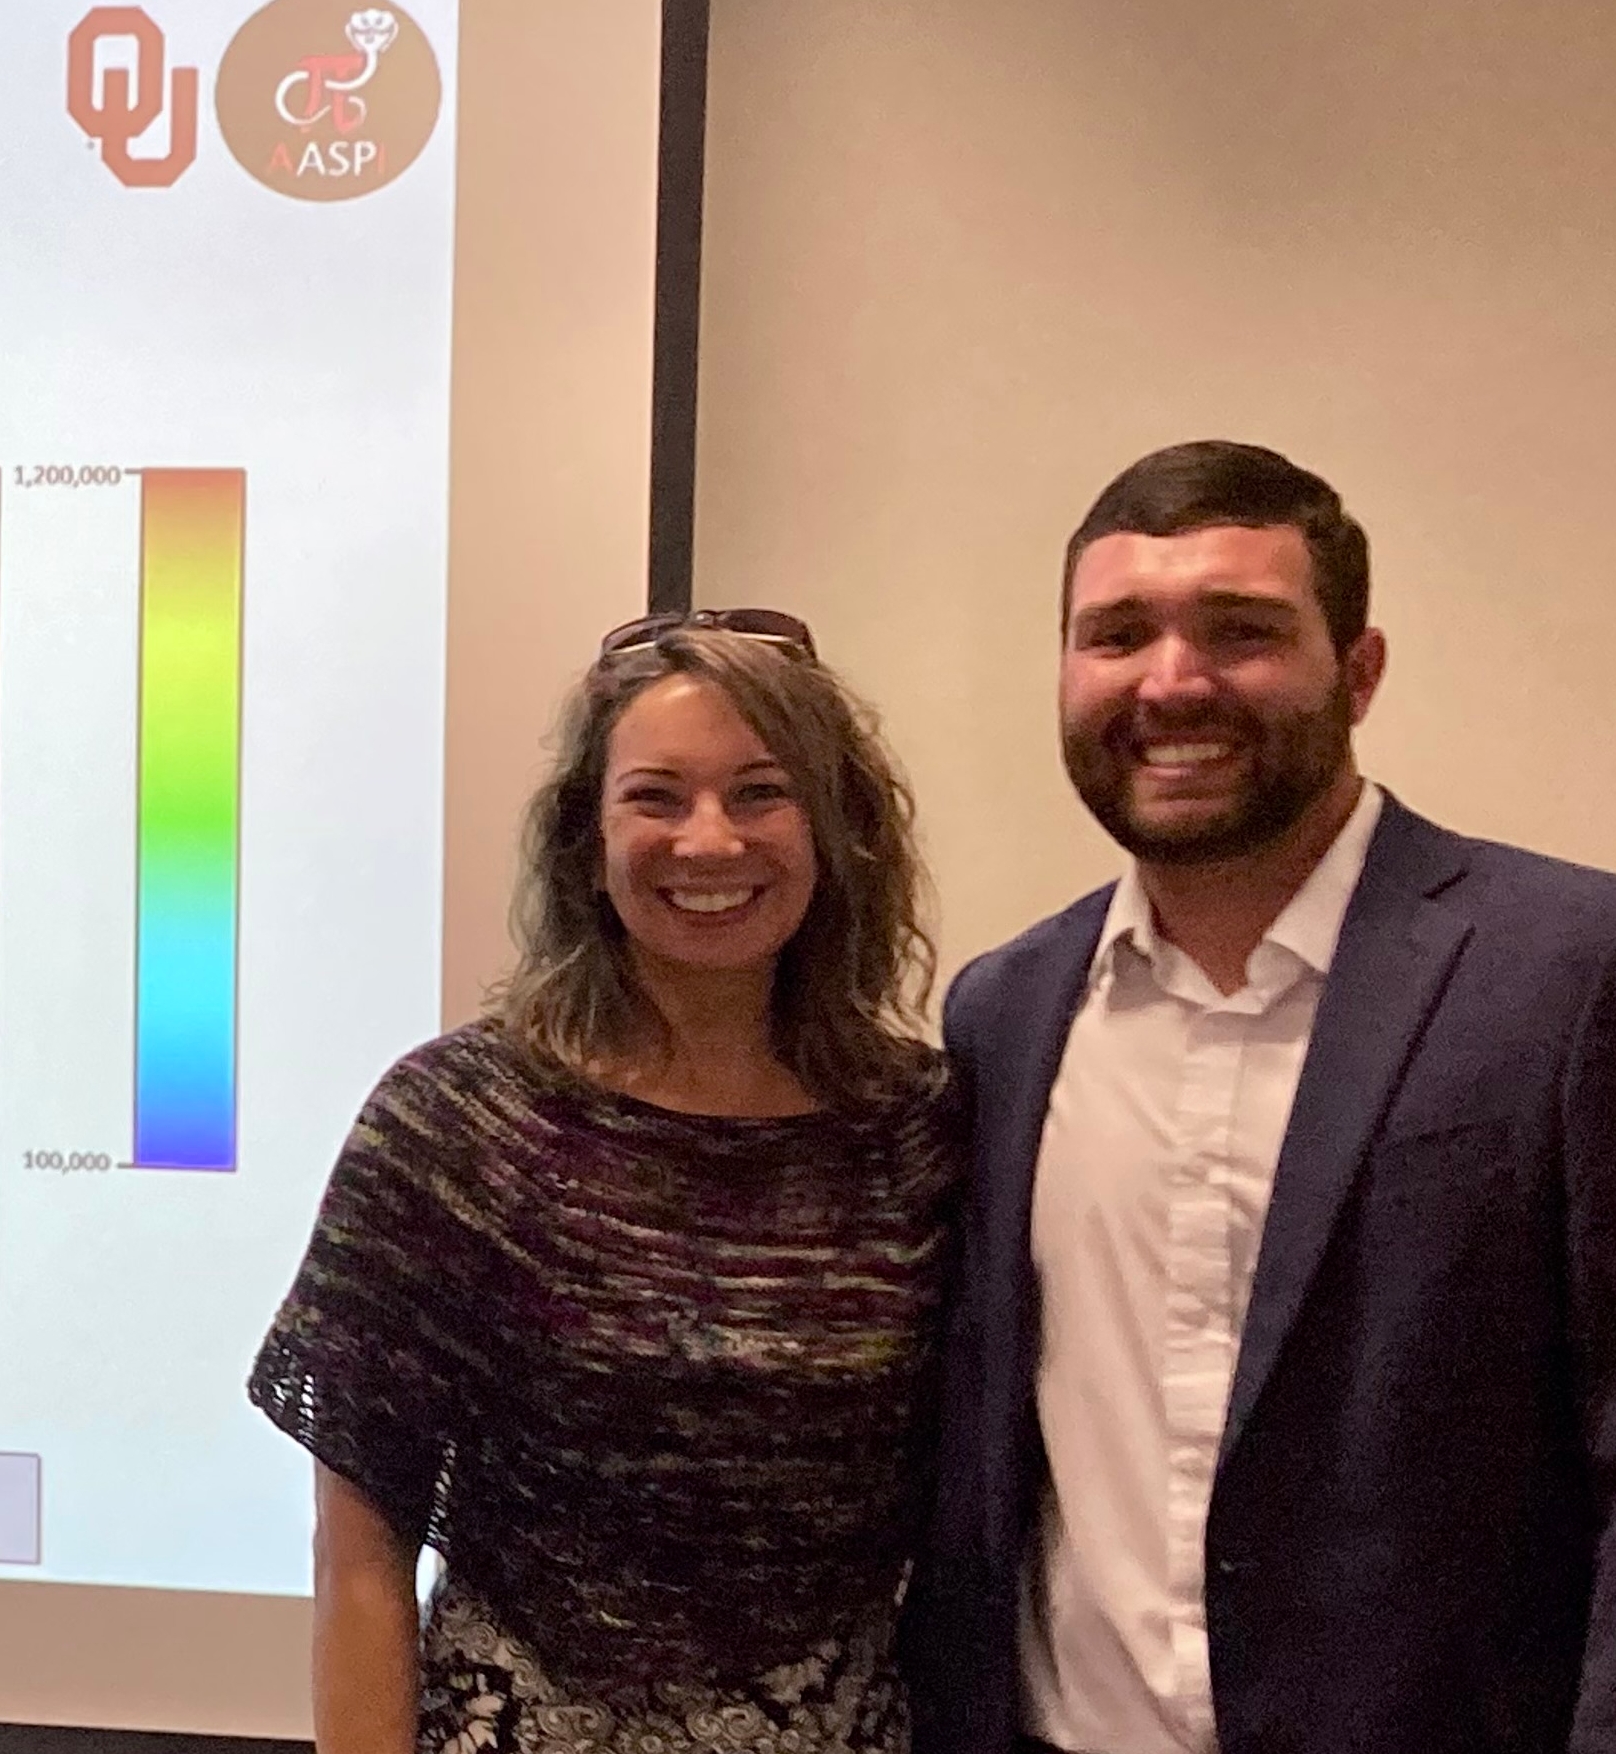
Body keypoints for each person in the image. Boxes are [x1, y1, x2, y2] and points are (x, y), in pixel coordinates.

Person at [904, 439, 1616, 1754]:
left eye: (1239, 631)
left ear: (1359, 669)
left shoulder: (1567, 972)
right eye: (1117, 635)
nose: (1172, 682)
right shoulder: (1003, 1013)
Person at [249, 612, 959, 1754]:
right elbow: (358, 1548)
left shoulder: (922, 1130)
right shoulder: (453, 1120)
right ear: (586, 836)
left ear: (836, 830)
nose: (709, 839)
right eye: (656, 796)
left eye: (761, 791)